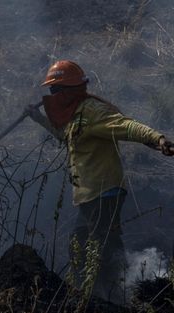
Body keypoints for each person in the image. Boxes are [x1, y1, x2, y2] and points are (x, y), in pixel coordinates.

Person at [25, 60, 174, 299]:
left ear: (69, 90)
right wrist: (38, 118)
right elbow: (68, 137)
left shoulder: (93, 111)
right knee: (85, 241)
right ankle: (103, 294)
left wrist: (158, 139)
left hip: (105, 191)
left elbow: (126, 126)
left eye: (55, 90)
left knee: (101, 244)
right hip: (90, 194)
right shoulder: (75, 115)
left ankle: (115, 296)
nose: (52, 95)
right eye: (51, 91)